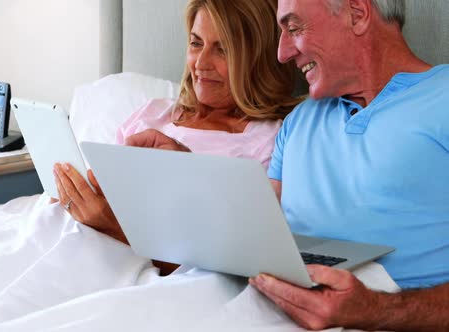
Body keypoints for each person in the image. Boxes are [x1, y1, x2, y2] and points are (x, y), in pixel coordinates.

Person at [128, 0, 449, 330]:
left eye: (294, 28)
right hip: (262, 308)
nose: (282, 53)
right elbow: (247, 241)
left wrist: (378, 310)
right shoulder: (299, 122)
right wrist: (184, 172)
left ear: (357, 13)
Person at [51, 0, 301, 254]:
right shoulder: (153, 112)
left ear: (258, 59)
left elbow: (229, 254)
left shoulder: (267, 142)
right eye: (196, 43)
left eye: (222, 49)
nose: (201, 63)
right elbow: (105, 192)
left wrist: (112, 226)